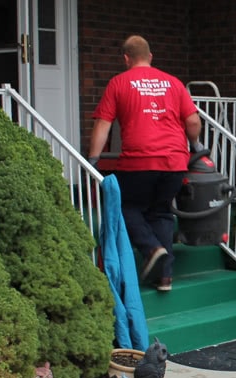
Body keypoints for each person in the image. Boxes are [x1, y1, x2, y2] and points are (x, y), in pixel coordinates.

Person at [87, 35, 202, 292]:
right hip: (174, 162)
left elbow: (103, 125)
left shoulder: (119, 82)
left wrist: (93, 159)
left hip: (139, 161)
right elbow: (193, 122)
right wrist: (195, 146)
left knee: (125, 207)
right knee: (161, 211)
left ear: (126, 58)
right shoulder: (173, 83)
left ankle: (152, 249)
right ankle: (164, 277)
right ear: (150, 57)